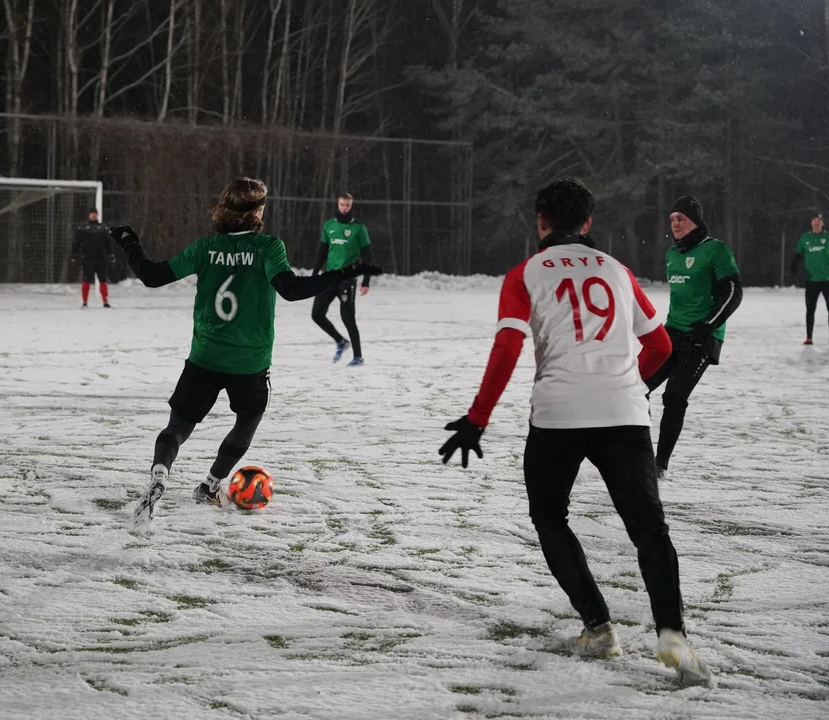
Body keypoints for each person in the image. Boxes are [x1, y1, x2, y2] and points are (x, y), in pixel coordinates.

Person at [438, 178, 712, 687]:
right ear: (588, 223)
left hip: (560, 415)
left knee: (549, 516)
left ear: (540, 221)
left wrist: (477, 419)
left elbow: (507, 349)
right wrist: (635, 387)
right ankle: (673, 637)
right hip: (624, 412)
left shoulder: (525, 274)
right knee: (649, 529)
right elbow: (660, 348)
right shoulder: (616, 269)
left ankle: (598, 627)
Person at [111, 177, 381, 532]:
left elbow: (151, 275)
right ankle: (210, 485)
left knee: (177, 428)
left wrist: (129, 242)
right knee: (246, 422)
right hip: (249, 364)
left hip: (205, 356)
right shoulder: (268, 247)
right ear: (256, 212)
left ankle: (160, 475)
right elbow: (290, 289)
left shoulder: (205, 247)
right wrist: (348, 270)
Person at [645, 196, 742, 479]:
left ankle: (659, 465)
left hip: (702, 339)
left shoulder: (716, 250)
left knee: (674, 397)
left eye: (681, 218)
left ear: (695, 221)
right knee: (636, 389)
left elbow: (734, 292)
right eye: (672, 218)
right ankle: (635, 455)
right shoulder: (672, 254)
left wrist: (708, 324)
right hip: (672, 333)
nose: (675, 223)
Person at [311, 192, 373, 366]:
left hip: (347, 280)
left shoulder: (359, 229)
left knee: (347, 318)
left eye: (347, 205)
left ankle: (358, 357)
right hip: (329, 278)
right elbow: (322, 251)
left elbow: (368, 256)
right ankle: (340, 341)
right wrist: (315, 273)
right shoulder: (329, 226)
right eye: (342, 205)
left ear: (351, 206)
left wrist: (366, 281)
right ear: (337, 205)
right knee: (317, 315)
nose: (344, 208)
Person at [790, 211, 829, 345]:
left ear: (823, 223)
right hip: (812, 280)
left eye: (819, 220)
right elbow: (798, 255)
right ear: (811, 223)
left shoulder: (827, 237)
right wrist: (794, 267)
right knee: (810, 309)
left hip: (827, 280)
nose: (817, 223)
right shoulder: (805, 238)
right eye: (814, 221)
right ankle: (809, 337)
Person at [71, 207, 116, 308]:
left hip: (100, 257)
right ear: (89, 215)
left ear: (97, 215)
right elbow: (77, 243)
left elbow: (108, 244)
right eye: (92, 213)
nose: (93, 215)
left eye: (95, 213)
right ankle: (85, 302)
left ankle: (105, 301)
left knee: (103, 279)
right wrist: (74, 254)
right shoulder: (83, 228)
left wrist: (110, 255)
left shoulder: (103, 228)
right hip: (87, 257)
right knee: (86, 279)